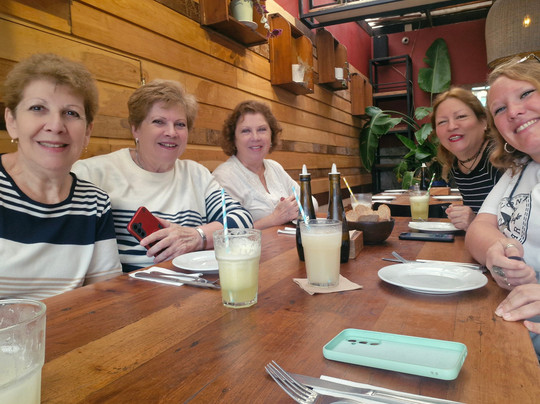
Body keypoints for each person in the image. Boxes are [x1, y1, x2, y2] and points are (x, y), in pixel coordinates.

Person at [73, 80, 252, 272]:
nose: (171, 132)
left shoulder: (196, 174)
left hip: (193, 282)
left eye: (180, 124)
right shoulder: (92, 173)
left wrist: (196, 236)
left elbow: (242, 220)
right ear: (135, 128)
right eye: (159, 122)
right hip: (129, 286)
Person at [1, 53, 121, 299]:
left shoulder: (95, 202)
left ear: (87, 132)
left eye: (71, 113)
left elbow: (107, 297)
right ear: (12, 121)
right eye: (38, 108)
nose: (55, 126)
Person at [213, 100, 318, 229]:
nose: (255, 137)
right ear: (233, 138)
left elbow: (311, 203)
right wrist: (275, 218)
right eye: (246, 131)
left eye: (262, 129)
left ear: (271, 135)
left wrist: (293, 208)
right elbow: (225, 233)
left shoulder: (275, 167)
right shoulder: (223, 177)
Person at [431, 87, 502, 230]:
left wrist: (474, 222)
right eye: (442, 122)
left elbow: (520, 227)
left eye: (461, 116)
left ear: (484, 121)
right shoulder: (456, 163)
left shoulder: (499, 158)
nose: (451, 126)